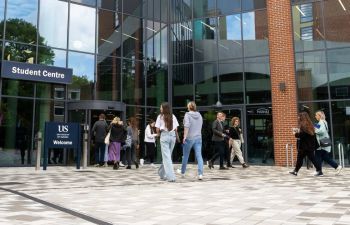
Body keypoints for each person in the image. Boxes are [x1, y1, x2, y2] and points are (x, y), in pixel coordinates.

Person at [289, 112, 322, 176]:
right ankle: (296, 171)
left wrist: (295, 133)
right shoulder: (310, 124)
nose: (298, 118)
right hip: (309, 146)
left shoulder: (303, 125)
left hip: (304, 146)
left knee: (301, 159)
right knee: (310, 159)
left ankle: (319, 171)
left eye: (299, 117)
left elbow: (302, 134)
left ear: (302, 117)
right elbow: (308, 134)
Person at [155, 102, 179, 182]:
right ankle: (162, 173)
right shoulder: (173, 116)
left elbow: (157, 128)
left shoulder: (160, 117)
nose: (160, 109)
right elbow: (176, 129)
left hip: (164, 136)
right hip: (172, 137)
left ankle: (171, 177)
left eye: (161, 107)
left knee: (167, 157)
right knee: (167, 156)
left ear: (164, 108)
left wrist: (158, 135)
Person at [180, 101, 204, 180]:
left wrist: (184, 137)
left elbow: (186, 126)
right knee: (199, 156)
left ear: (189, 107)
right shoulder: (199, 115)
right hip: (198, 138)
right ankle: (200, 174)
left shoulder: (187, 115)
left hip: (189, 138)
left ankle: (183, 172)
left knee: (185, 156)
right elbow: (200, 126)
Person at [314, 110, 342, 175]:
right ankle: (337, 166)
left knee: (317, 156)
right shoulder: (324, 122)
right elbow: (323, 130)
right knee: (325, 157)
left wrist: (314, 130)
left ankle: (319, 171)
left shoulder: (321, 122)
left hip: (321, 143)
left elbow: (322, 131)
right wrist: (315, 126)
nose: (315, 116)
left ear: (319, 116)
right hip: (323, 142)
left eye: (316, 115)